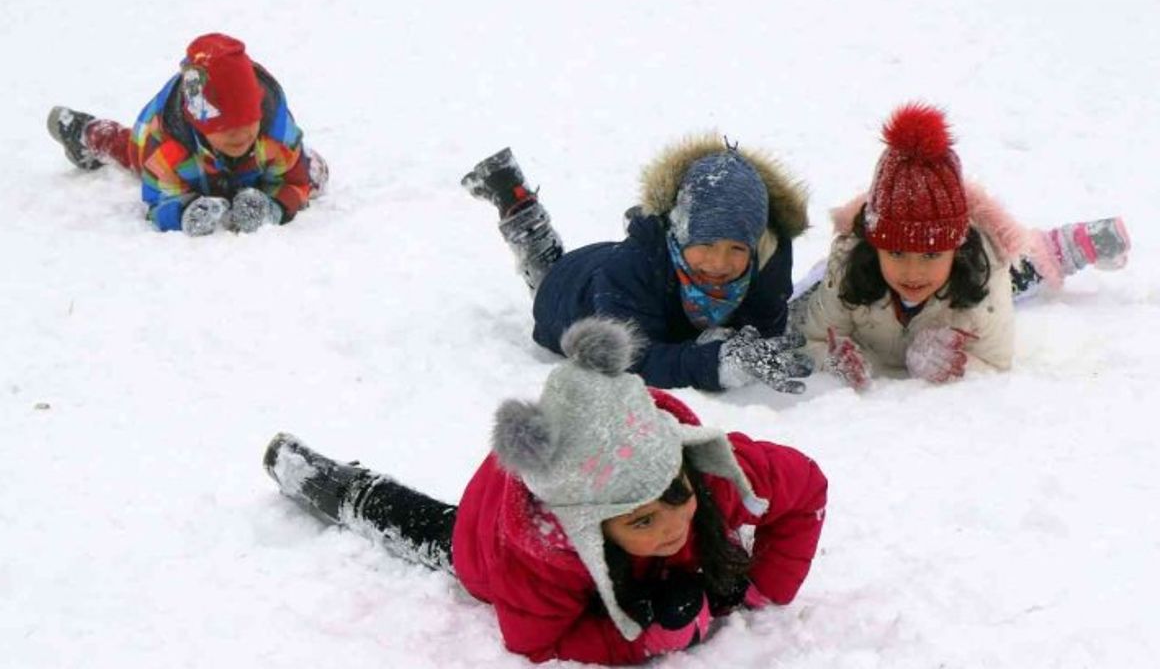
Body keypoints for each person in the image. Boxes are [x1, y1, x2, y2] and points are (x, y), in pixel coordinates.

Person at [264, 318, 827, 665]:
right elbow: (537, 643)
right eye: (640, 522)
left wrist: (759, 588)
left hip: (578, 463)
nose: (672, 526)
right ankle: (327, 482)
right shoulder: (540, 557)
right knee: (432, 531)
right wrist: (643, 639)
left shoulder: (705, 470)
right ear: (590, 528)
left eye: (674, 498)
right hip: (490, 534)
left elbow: (806, 490)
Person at [799, 103, 1131, 389]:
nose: (913, 272)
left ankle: (1063, 247)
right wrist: (833, 359)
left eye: (931, 254)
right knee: (812, 289)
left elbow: (996, 360)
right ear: (875, 246)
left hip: (966, 282)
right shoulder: (846, 270)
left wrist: (953, 365)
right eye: (897, 253)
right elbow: (811, 339)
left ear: (956, 247)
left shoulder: (984, 276)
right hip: (866, 277)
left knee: (1021, 271)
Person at [460, 135, 813, 393]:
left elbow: (766, 326)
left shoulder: (767, 258)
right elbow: (629, 360)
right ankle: (517, 203)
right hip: (572, 292)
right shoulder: (628, 271)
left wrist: (743, 346)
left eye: (737, 247)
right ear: (680, 233)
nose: (720, 263)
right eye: (704, 243)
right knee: (546, 271)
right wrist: (714, 363)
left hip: (634, 271)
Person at [46, 33, 328, 236]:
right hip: (175, 155)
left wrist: (273, 207)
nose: (240, 135)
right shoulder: (167, 148)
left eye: (248, 122)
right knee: (131, 152)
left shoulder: (275, 134)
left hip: (252, 167)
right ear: (200, 124)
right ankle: (86, 133)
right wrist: (184, 213)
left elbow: (294, 181)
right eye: (225, 128)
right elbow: (158, 202)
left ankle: (299, 168)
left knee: (312, 174)